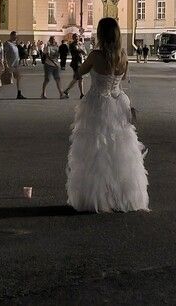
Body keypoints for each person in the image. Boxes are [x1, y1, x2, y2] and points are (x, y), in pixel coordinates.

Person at [66, 17, 148, 213]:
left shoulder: (95, 55)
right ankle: (122, 197)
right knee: (120, 151)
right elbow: (123, 79)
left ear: (101, 34)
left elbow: (80, 72)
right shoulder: (123, 55)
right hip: (119, 102)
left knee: (96, 151)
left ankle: (97, 198)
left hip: (97, 105)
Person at [62, 34, 86, 99]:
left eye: (77, 37)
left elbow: (84, 52)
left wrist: (82, 51)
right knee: (80, 78)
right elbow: (75, 51)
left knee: (76, 79)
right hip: (75, 63)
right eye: (75, 37)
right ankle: (81, 94)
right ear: (73, 38)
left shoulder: (81, 43)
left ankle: (67, 91)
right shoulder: (72, 45)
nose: (76, 38)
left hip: (80, 62)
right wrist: (80, 50)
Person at [4, 31, 26, 100]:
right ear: (11, 35)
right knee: (3, 79)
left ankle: (19, 94)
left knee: (19, 78)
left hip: (15, 65)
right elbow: (4, 54)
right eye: (15, 36)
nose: (16, 37)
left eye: (16, 36)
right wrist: (5, 64)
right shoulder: (7, 44)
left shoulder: (15, 44)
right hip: (9, 65)